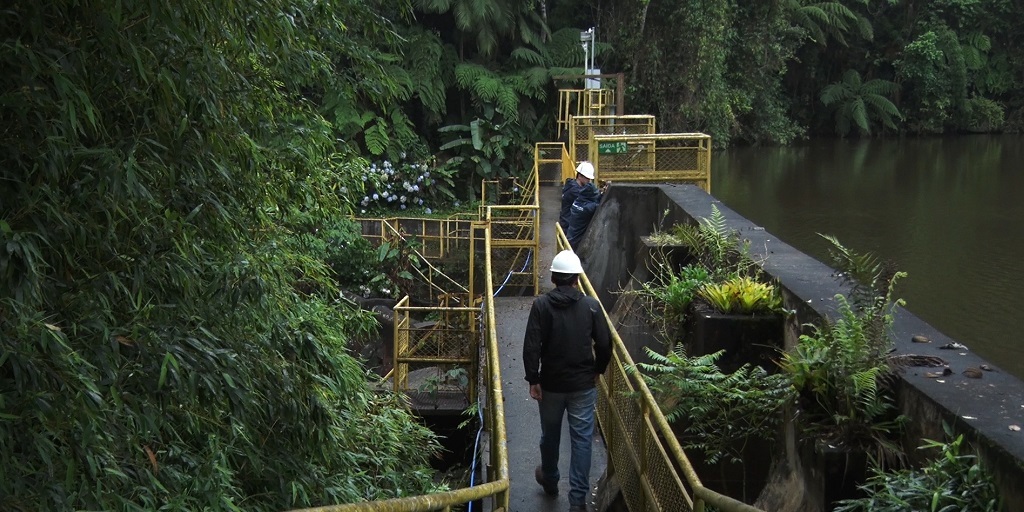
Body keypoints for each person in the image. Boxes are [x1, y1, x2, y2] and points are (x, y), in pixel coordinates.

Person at [523, 250, 611, 512]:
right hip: (583, 385)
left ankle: (549, 479)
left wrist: (533, 379)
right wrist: (598, 369)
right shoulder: (591, 306)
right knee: (582, 440)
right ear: (576, 279)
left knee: (549, 435)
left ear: (553, 278)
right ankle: (577, 502)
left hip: (551, 385)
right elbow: (605, 344)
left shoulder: (541, 306)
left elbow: (531, 346)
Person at [565, 182, 602, 250]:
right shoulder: (588, 208)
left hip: (571, 237)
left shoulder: (578, 201)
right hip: (577, 242)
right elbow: (600, 205)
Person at [560, 161, 595, 231]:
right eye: (587, 178)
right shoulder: (574, 191)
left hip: (567, 223)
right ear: (579, 176)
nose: (589, 180)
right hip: (568, 226)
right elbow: (588, 200)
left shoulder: (572, 186)